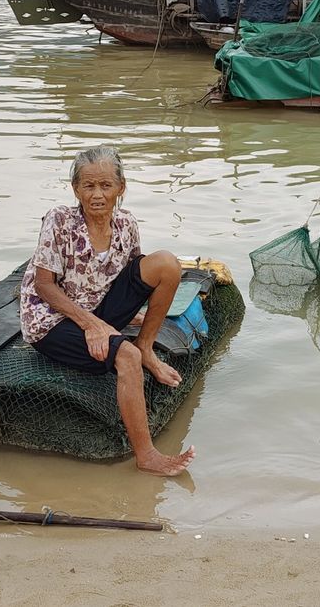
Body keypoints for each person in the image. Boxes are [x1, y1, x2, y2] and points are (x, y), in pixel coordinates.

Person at [19, 147, 194, 476]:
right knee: (125, 357)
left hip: (97, 306)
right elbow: (44, 286)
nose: (97, 195)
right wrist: (92, 325)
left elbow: (135, 275)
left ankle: (147, 348)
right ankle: (147, 456)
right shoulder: (59, 220)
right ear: (76, 190)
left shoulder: (126, 223)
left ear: (121, 188)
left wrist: (132, 316)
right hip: (52, 319)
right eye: (88, 186)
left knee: (167, 264)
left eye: (105, 186)